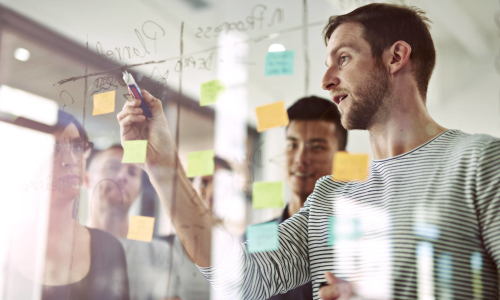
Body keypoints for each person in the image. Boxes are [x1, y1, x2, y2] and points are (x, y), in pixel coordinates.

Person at [117, 3, 500, 300]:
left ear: (396, 57)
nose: (326, 79)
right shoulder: (330, 197)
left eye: (343, 58)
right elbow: (243, 278)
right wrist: (162, 164)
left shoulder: (480, 162)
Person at [6, 110, 129, 300]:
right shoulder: (6, 243)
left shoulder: (108, 248)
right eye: (55, 147)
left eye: (78, 147)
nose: (71, 160)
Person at [243, 96, 347, 300]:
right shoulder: (254, 239)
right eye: (292, 145)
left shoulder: (357, 238)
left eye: (316, 147)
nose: (301, 158)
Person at [85, 145, 180, 300]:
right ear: (86, 179)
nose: (123, 176)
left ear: (139, 189)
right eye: (112, 167)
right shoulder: (68, 245)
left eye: (132, 172)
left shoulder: (159, 254)